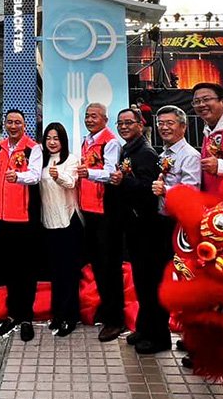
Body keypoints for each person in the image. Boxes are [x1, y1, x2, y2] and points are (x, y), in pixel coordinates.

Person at [110, 108, 168, 355]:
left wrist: (123, 181)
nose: (123, 127)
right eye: (120, 123)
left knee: (152, 283)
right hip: (134, 227)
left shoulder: (145, 153)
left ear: (140, 124)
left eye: (128, 123)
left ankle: (160, 337)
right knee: (142, 283)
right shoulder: (129, 149)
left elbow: (148, 191)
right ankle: (144, 328)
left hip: (148, 229)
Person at [144, 105, 202, 354]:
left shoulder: (189, 155)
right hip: (161, 222)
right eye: (161, 123)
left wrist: (166, 191)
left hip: (178, 226)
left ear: (183, 126)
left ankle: (191, 340)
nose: (164, 127)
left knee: (182, 281)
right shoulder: (165, 153)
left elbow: (192, 190)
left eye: (170, 123)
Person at [0, 109, 43, 342]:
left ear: (25, 125)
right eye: (10, 122)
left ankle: (26, 317)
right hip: (2, 219)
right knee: (9, 268)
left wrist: (18, 177)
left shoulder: (34, 148)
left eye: (18, 123)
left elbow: (35, 176)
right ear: (5, 124)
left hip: (24, 220)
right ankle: (12, 314)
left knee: (27, 270)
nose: (13, 126)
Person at [77, 102, 123, 342]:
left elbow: (111, 172)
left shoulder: (110, 141)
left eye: (94, 116)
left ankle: (115, 319)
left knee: (109, 266)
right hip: (89, 211)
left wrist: (89, 173)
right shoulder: (88, 140)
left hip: (104, 211)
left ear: (105, 119)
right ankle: (107, 310)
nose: (90, 119)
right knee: (97, 264)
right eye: (87, 116)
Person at [38, 121, 81, 337]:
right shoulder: (42, 161)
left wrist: (58, 176)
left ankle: (70, 316)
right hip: (48, 222)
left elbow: (72, 183)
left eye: (56, 138)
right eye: (48, 138)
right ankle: (57, 314)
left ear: (63, 141)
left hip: (67, 221)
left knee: (69, 272)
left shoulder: (71, 160)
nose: (52, 142)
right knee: (55, 272)